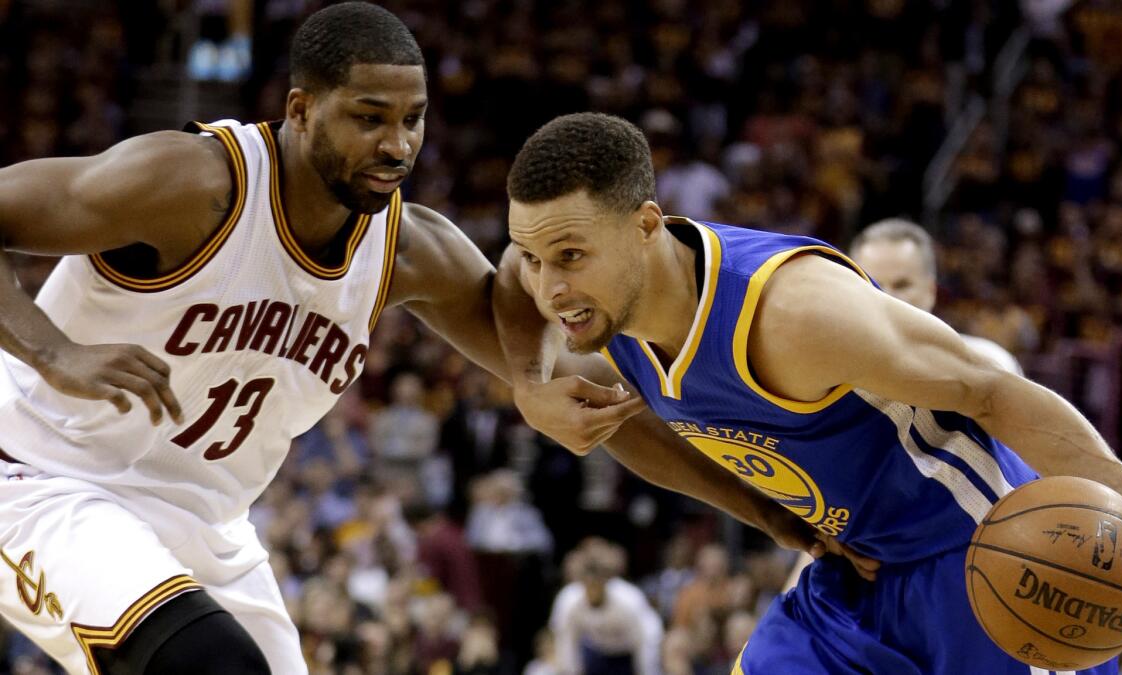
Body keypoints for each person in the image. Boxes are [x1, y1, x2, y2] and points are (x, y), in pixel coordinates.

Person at [0, 6, 816, 673]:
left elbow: (598, 407)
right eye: (369, 118)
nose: (397, 145)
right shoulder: (191, 184)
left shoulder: (407, 248)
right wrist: (53, 351)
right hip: (38, 477)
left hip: (206, 521)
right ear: (299, 110)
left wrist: (767, 512)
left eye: (413, 120)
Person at [494, 112, 1122, 675]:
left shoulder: (797, 314)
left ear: (645, 225)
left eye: (570, 258)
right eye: (536, 258)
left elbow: (994, 392)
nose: (550, 287)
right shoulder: (582, 292)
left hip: (989, 564)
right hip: (851, 570)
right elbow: (504, 278)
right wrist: (529, 384)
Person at [849, 218, 1024, 376]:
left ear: (931, 290)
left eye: (902, 285)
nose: (887, 296)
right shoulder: (831, 377)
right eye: (874, 285)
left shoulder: (990, 365)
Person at [549, 539, 663, 675]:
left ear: (606, 582)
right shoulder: (569, 600)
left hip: (627, 654)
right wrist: (570, 671)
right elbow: (566, 639)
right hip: (594, 652)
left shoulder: (628, 599)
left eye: (597, 584)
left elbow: (648, 639)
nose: (593, 589)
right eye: (589, 584)